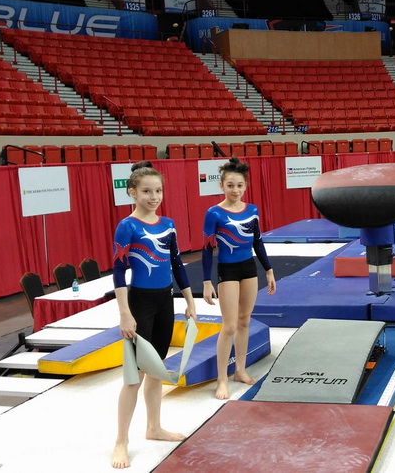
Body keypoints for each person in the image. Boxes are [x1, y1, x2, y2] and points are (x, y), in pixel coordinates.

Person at [111, 161, 197, 469]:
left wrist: (190, 300)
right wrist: (124, 313)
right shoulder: (128, 226)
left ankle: (154, 427)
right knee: (133, 377)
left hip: (165, 301)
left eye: (158, 191)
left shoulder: (168, 224)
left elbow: (177, 264)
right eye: (147, 191)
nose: (154, 197)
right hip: (140, 303)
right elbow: (119, 272)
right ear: (132, 192)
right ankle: (121, 441)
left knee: (156, 369)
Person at [202, 157, 276, 400]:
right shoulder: (214, 213)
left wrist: (268, 269)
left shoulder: (252, 210)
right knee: (230, 325)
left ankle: (240, 370)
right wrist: (206, 281)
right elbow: (206, 248)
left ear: (246, 186)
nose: (235, 190)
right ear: (222, 185)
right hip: (228, 270)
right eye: (230, 185)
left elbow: (258, 242)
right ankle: (221, 379)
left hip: (249, 268)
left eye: (240, 185)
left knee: (244, 321)